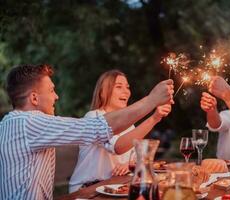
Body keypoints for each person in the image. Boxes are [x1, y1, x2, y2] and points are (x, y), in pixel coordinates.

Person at [0, 64, 174, 200]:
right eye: (51, 90)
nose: (56, 96)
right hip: (88, 189)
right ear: (34, 98)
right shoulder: (30, 122)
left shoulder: (11, 123)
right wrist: (151, 100)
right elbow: (96, 128)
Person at [69, 70, 172, 192]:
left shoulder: (129, 125)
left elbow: (136, 158)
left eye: (127, 87)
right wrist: (154, 118)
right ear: (103, 92)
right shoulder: (93, 117)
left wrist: (128, 165)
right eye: (119, 87)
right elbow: (118, 146)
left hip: (115, 187)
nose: (126, 91)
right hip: (87, 189)